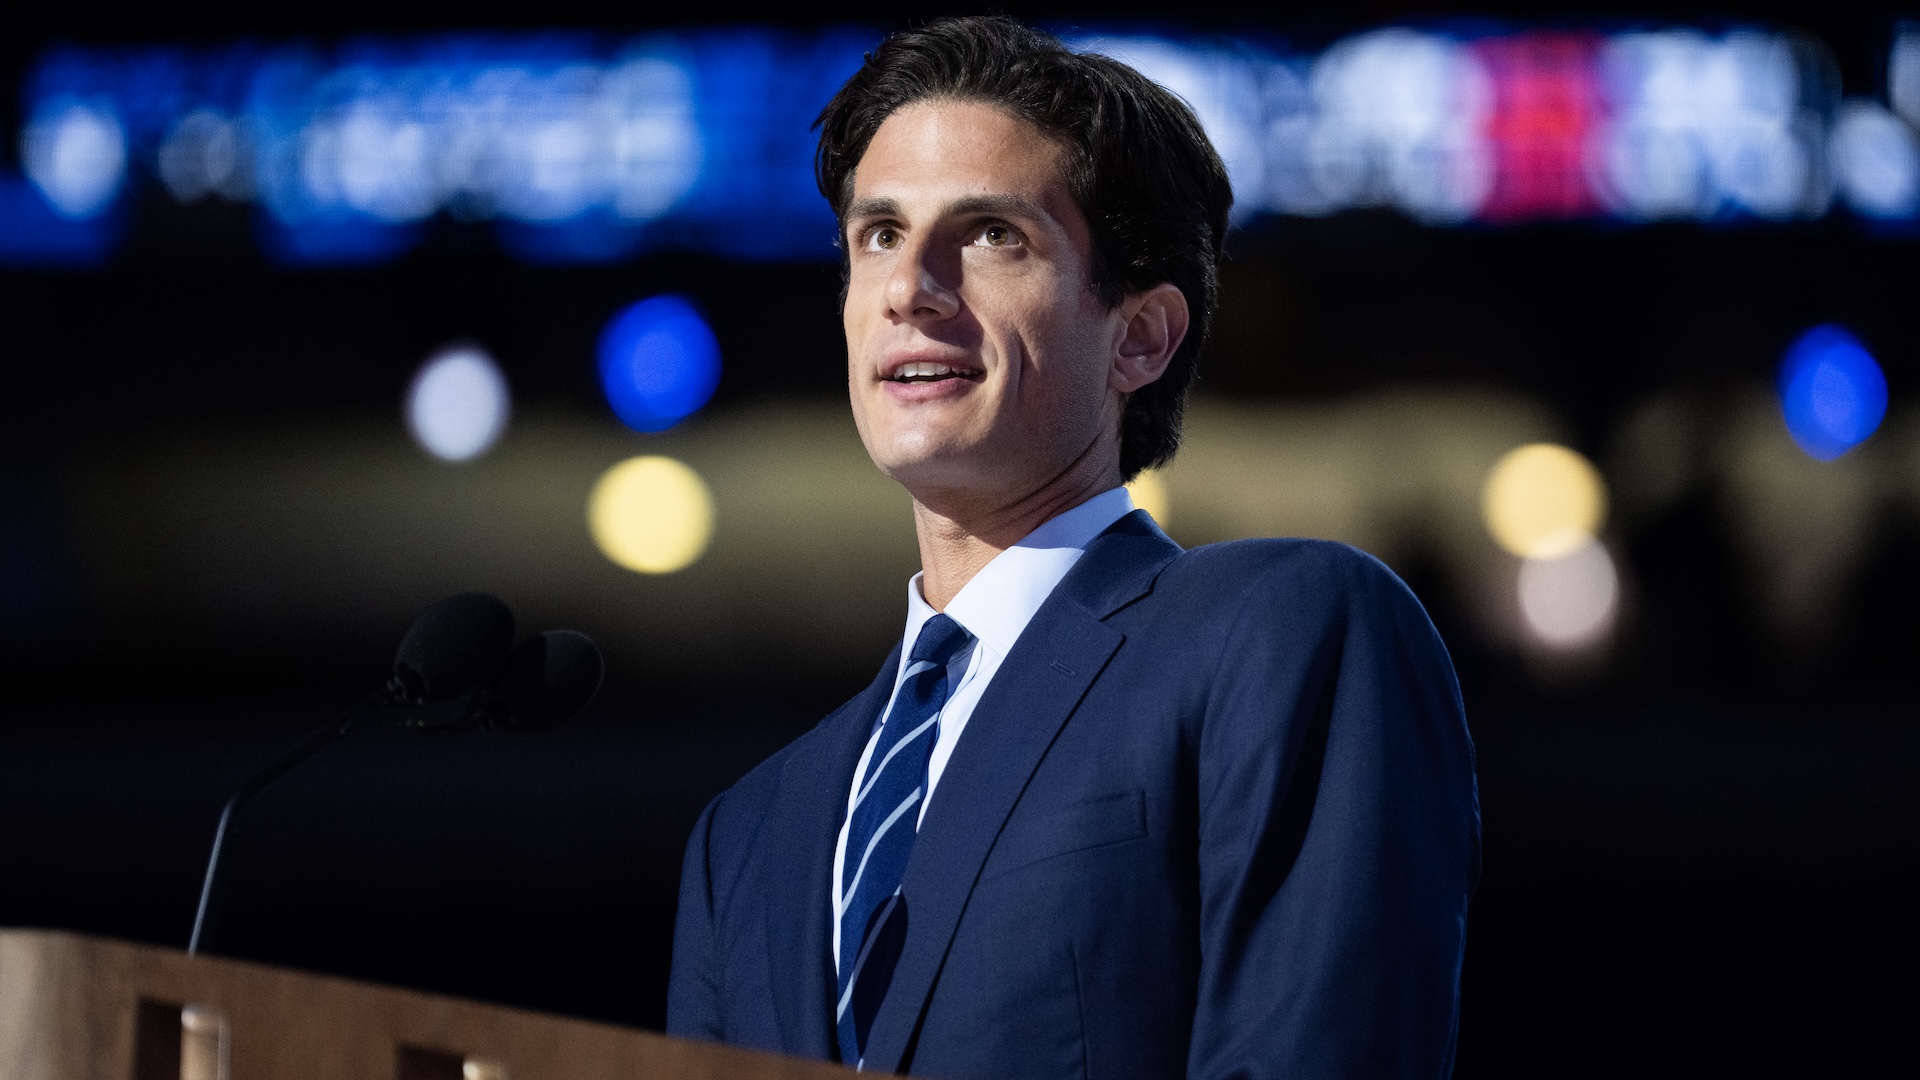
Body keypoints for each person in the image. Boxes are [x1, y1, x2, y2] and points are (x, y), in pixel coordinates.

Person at [667, 16, 1480, 1079]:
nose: (910, 288)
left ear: (1139, 336)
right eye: (879, 235)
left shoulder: (1280, 631)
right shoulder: (747, 834)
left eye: (993, 234)